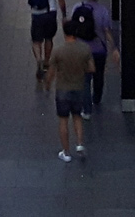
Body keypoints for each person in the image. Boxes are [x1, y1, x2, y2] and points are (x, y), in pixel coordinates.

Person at [48, 13, 94, 161]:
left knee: (63, 120)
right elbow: (92, 68)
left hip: (62, 89)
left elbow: (51, 72)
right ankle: (79, 143)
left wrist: (47, 84)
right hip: (78, 87)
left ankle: (66, 152)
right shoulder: (85, 49)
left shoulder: (59, 51)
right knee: (77, 117)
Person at [70, 0, 119, 114]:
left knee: (85, 80)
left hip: (81, 50)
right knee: (99, 76)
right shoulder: (103, 10)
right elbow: (107, 32)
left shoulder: (77, 7)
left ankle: (86, 109)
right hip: (99, 50)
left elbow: (72, 28)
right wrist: (114, 47)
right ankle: (96, 98)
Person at [25, 0, 65, 79]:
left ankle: (39, 60)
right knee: (48, 38)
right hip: (51, 13)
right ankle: (47, 62)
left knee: (36, 40)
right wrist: (64, 14)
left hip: (37, 13)